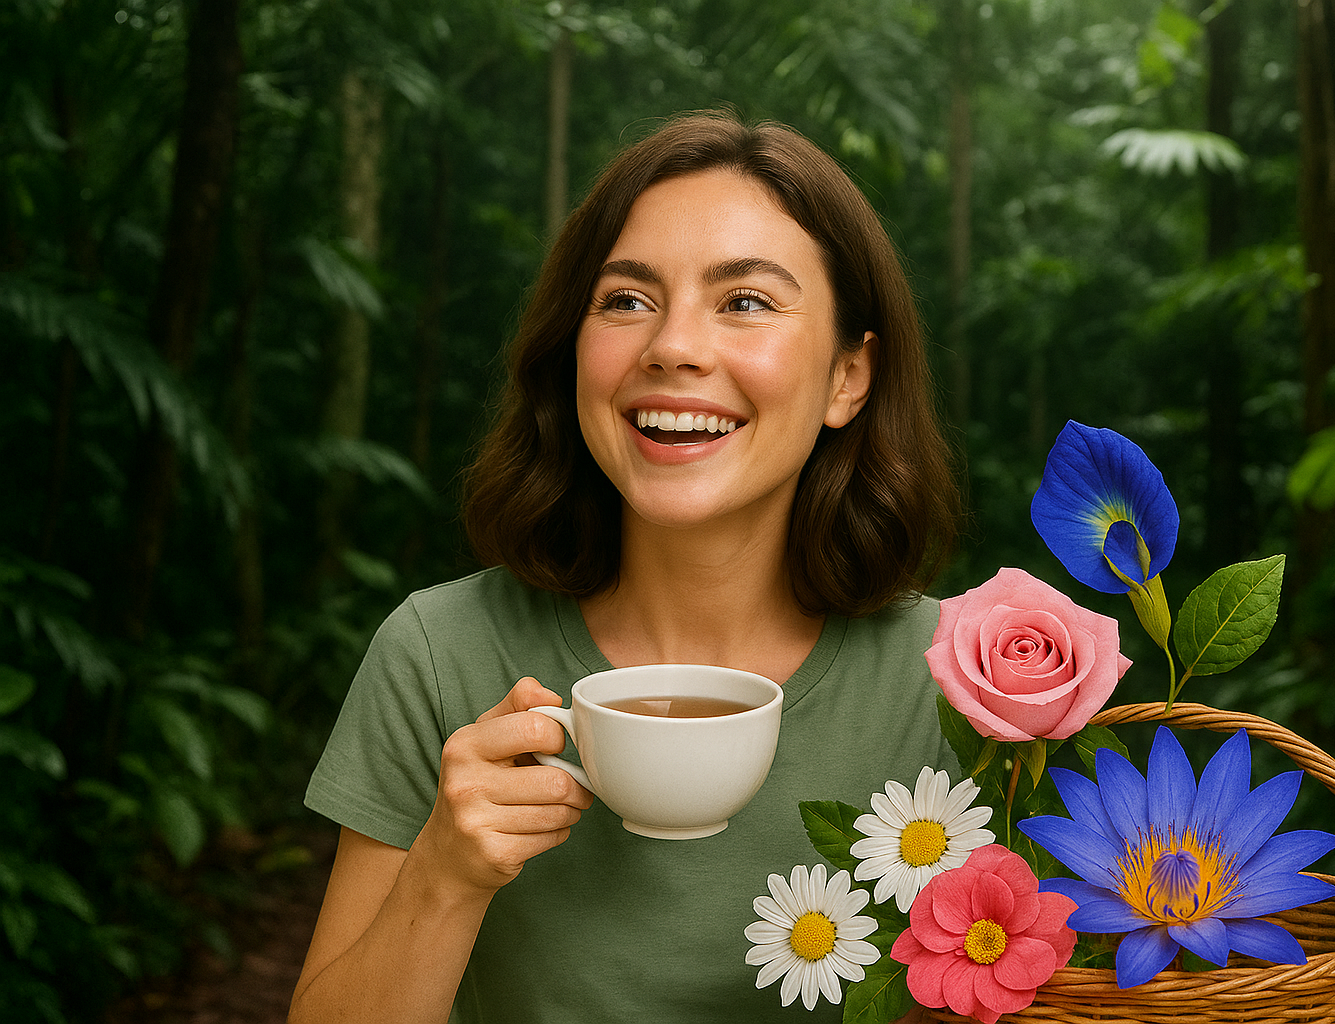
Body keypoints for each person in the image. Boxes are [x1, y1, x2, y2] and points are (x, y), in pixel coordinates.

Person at [290, 110, 963, 1024]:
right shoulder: (438, 653)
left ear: (849, 377)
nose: (672, 346)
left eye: (746, 301)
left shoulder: (961, 686)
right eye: (627, 299)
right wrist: (444, 874)